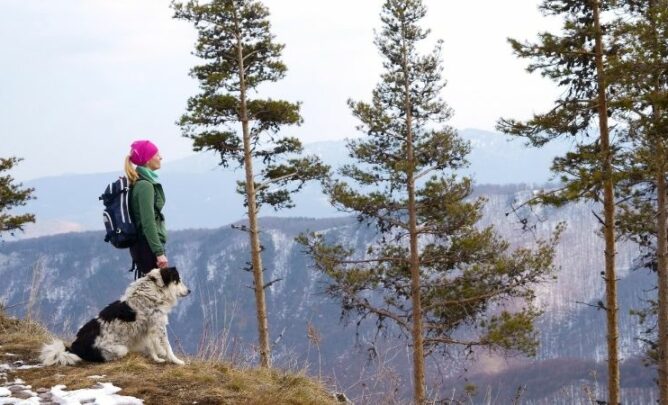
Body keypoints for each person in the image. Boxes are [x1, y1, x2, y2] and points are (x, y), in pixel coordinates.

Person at [124, 140, 168, 277]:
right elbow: (148, 222)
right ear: (148, 160)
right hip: (148, 248)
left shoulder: (137, 182)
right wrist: (159, 253)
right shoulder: (145, 186)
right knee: (156, 295)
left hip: (143, 247)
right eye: (157, 154)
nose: (161, 157)